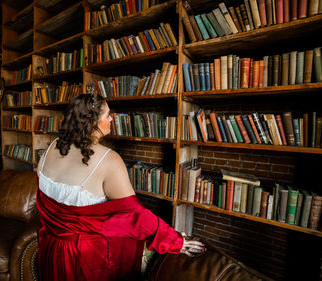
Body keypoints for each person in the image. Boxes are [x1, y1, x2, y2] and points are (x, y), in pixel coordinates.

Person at [36, 93, 205, 281]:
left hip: (50, 247)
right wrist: (174, 240)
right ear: (93, 122)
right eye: (107, 114)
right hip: (82, 258)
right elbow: (135, 216)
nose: (111, 118)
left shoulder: (51, 147)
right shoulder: (108, 160)